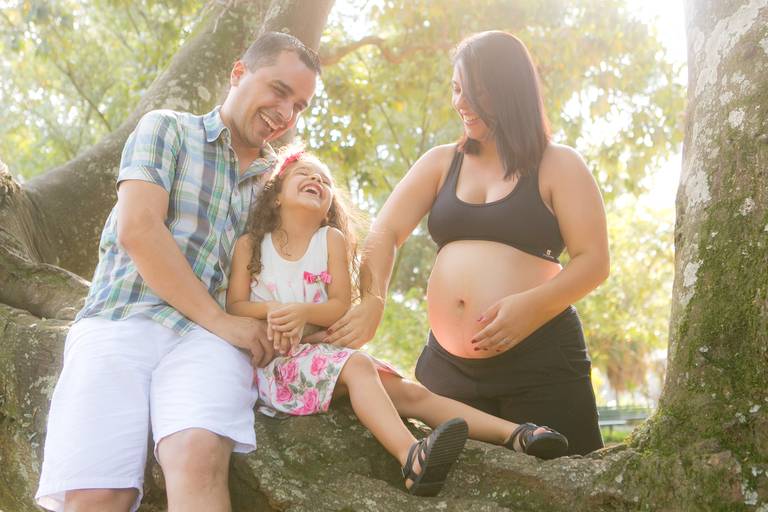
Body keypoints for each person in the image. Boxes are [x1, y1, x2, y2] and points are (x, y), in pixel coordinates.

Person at [35, 32, 319, 512]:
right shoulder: (166, 129)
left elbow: (306, 266)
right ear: (238, 74)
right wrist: (224, 322)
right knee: (99, 493)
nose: (286, 113)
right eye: (278, 90)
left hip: (208, 346)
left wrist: (359, 310)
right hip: (120, 317)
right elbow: (139, 230)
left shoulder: (278, 185)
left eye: (301, 105)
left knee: (198, 462)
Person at [324, 30, 609, 456]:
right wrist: (373, 300)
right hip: (449, 372)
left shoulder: (558, 164)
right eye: (457, 88)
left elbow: (594, 261)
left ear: (508, 90)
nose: (460, 101)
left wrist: (531, 306)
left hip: (541, 361)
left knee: (568, 483)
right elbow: (384, 233)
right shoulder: (441, 162)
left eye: (475, 90)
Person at [226, 149, 570, 497]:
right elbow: (236, 305)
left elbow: (339, 306)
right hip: (282, 366)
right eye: (304, 173)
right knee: (361, 366)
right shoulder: (251, 245)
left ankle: (517, 434)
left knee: (410, 392)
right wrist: (276, 311)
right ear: (276, 195)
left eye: (325, 180)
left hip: (326, 356)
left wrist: (303, 314)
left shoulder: (330, 240)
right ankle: (411, 457)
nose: (317, 180)